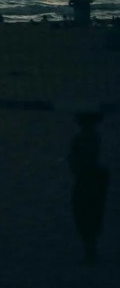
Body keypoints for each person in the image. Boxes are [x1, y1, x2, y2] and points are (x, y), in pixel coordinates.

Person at [69, 110, 109, 264]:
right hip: (90, 177)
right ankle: (91, 250)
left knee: (86, 214)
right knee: (90, 214)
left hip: (88, 178)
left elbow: (78, 160)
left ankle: (90, 251)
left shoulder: (84, 138)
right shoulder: (91, 138)